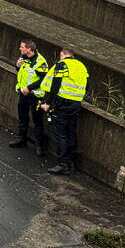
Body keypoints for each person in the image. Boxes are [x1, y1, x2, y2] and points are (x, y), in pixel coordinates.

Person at [37, 47, 89, 175]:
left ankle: (62, 164)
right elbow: (87, 85)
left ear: (62, 55)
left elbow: (55, 85)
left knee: (60, 134)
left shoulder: (62, 65)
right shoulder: (81, 66)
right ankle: (70, 162)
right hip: (76, 104)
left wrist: (48, 103)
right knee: (71, 132)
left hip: (63, 104)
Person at [9, 38, 49, 157]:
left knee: (37, 121)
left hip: (35, 96)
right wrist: (17, 65)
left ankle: (39, 146)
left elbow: (43, 80)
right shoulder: (24, 58)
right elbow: (22, 73)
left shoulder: (40, 62)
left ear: (29, 49)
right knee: (22, 117)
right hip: (23, 93)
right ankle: (21, 139)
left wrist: (29, 88)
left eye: (22, 47)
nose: (20, 49)